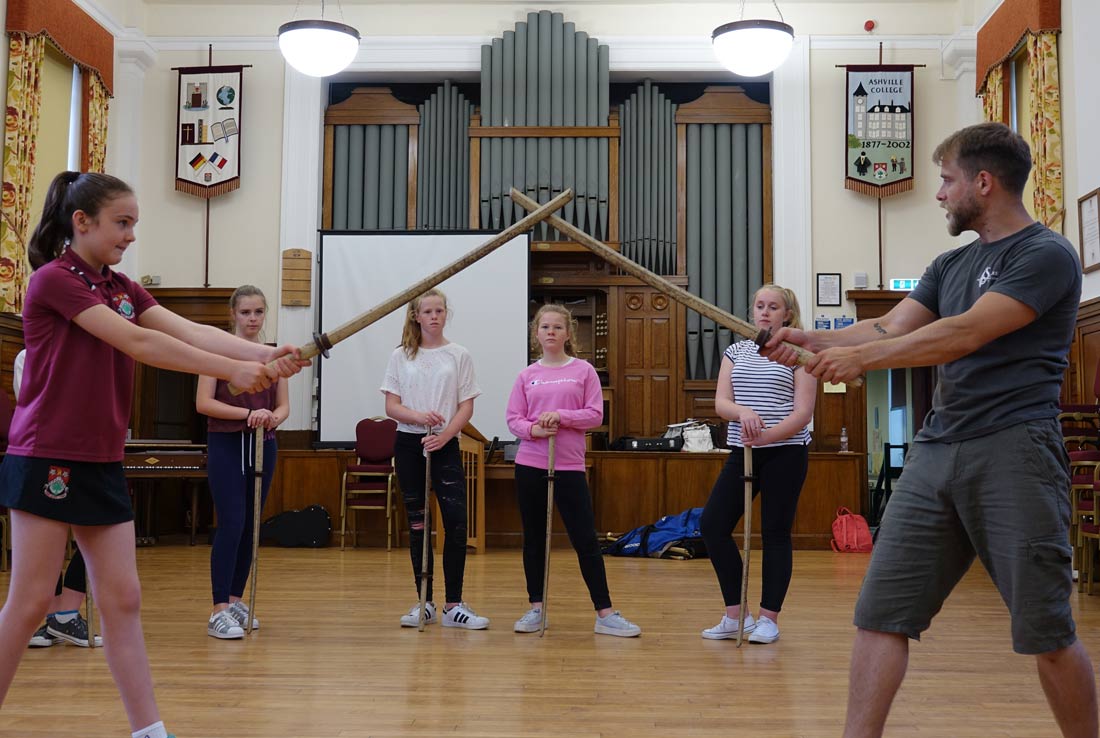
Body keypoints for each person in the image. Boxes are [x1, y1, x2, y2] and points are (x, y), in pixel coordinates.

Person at [763, 123, 1097, 737]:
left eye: (946, 180)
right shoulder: (951, 263)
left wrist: (860, 362)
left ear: (984, 182)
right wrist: (818, 340)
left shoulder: (1045, 255)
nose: (940, 194)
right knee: (880, 614)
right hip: (936, 451)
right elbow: (890, 328)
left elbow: (965, 332)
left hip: (1016, 450)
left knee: (1046, 633)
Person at [0, 171, 307, 738]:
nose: (131, 235)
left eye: (134, 224)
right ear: (82, 222)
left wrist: (268, 353)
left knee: (124, 599)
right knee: (28, 604)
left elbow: (187, 329)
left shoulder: (120, 287)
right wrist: (235, 371)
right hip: (47, 458)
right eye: (123, 223)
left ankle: (149, 730)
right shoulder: (53, 281)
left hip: (100, 460)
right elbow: (140, 343)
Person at [505, 304, 641, 637]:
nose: (550, 332)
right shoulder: (526, 375)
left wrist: (560, 417)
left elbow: (594, 415)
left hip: (568, 466)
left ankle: (605, 613)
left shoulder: (583, 371)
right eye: (544, 327)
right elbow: (514, 419)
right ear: (536, 334)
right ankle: (536, 608)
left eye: (557, 327)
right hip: (531, 464)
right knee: (534, 539)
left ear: (568, 333)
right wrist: (536, 430)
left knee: (584, 539)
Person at [699, 284, 816, 644]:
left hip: (786, 451)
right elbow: (722, 403)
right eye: (760, 305)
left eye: (773, 307)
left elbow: (803, 413)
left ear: (787, 315)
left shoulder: (800, 355)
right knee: (713, 525)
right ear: (752, 312)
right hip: (742, 451)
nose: (765, 312)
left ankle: (769, 618)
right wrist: (743, 412)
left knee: (775, 532)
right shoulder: (735, 352)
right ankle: (736, 615)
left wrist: (768, 436)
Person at [381, 288, 489, 630]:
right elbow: (391, 407)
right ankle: (424, 601)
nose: (434, 316)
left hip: (445, 443)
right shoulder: (400, 356)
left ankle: (454, 604)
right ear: (416, 316)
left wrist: (445, 435)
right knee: (418, 523)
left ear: (446, 314)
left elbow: (466, 404)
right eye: (427, 311)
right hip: (410, 444)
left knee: (456, 520)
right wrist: (417, 417)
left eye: (439, 311)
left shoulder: (459, 355)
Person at [196, 285, 288, 640]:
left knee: (251, 525)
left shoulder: (272, 355)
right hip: (227, 443)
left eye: (259, 312)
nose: (253, 319)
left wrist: (271, 418)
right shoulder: (215, 351)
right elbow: (204, 403)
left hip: (264, 445)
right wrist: (248, 413)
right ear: (233, 314)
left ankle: (236, 599)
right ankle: (218, 608)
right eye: (246, 312)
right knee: (231, 522)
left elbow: (283, 406)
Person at [13, 349, 103, 649]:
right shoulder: (27, 357)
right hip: (45, 455)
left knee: (97, 535)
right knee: (47, 542)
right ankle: (55, 618)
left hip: (87, 454)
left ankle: (66, 614)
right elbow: (32, 404)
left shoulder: (90, 356)